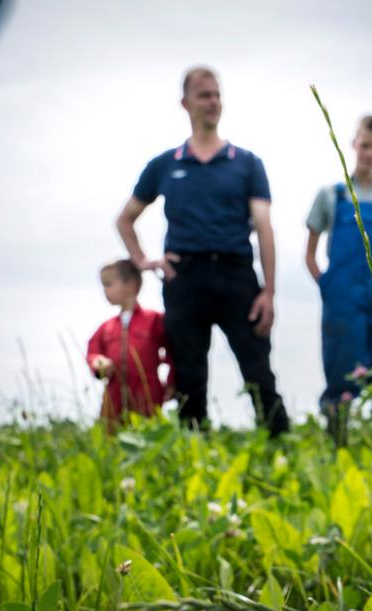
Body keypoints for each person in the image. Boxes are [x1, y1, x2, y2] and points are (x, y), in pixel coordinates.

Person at [115, 66, 289, 437]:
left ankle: (279, 448)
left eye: (216, 94)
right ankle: (194, 452)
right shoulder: (165, 165)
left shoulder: (246, 163)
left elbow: (264, 227)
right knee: (189, 375)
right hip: (184, 279)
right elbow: (125, 219)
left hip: (237, 277)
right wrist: (144, 261)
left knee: (258, 370)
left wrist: (268, 291)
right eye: (204, 95)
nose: (212, 102)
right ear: (186, 103)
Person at [305, 114, 372, 437]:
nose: (369, 153)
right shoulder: (330, 196)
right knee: (342, 377)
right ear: (354, 143)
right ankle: (338, 446)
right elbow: (309, 254)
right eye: (365, 145)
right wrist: (327, 287)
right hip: (343, 303)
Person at [86, 259, 173, 429]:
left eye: (109, 284)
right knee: (111, 435)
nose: (105, 291)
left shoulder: (154, 320)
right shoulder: (107, 327)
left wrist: (171, 382)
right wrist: (98, 363)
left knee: (149, 434)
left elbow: (173, 351)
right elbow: (93, 352)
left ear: (131, 285)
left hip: (148, 393)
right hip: (113, 395)